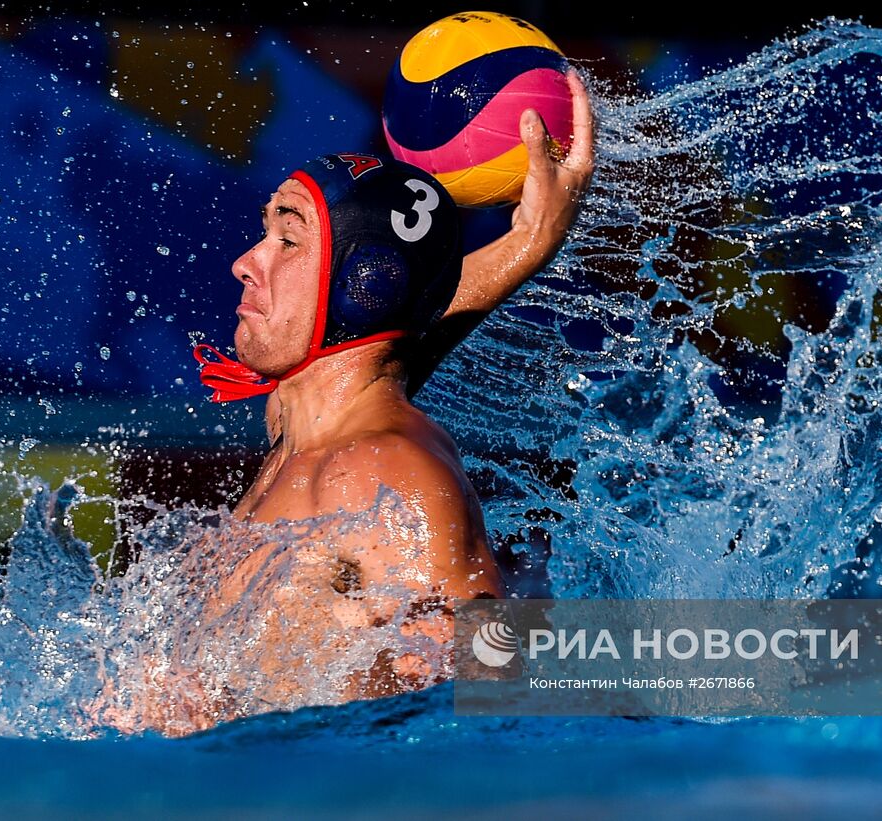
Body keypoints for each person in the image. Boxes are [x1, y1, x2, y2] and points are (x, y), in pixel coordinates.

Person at [88, 70, 594, 732]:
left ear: (359, 285)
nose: (247, 261)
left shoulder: (383, 470)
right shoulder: (306, 434)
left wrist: (218, 720)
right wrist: (526, 245)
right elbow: (399, 335)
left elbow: (493, 689)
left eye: (287, 238)